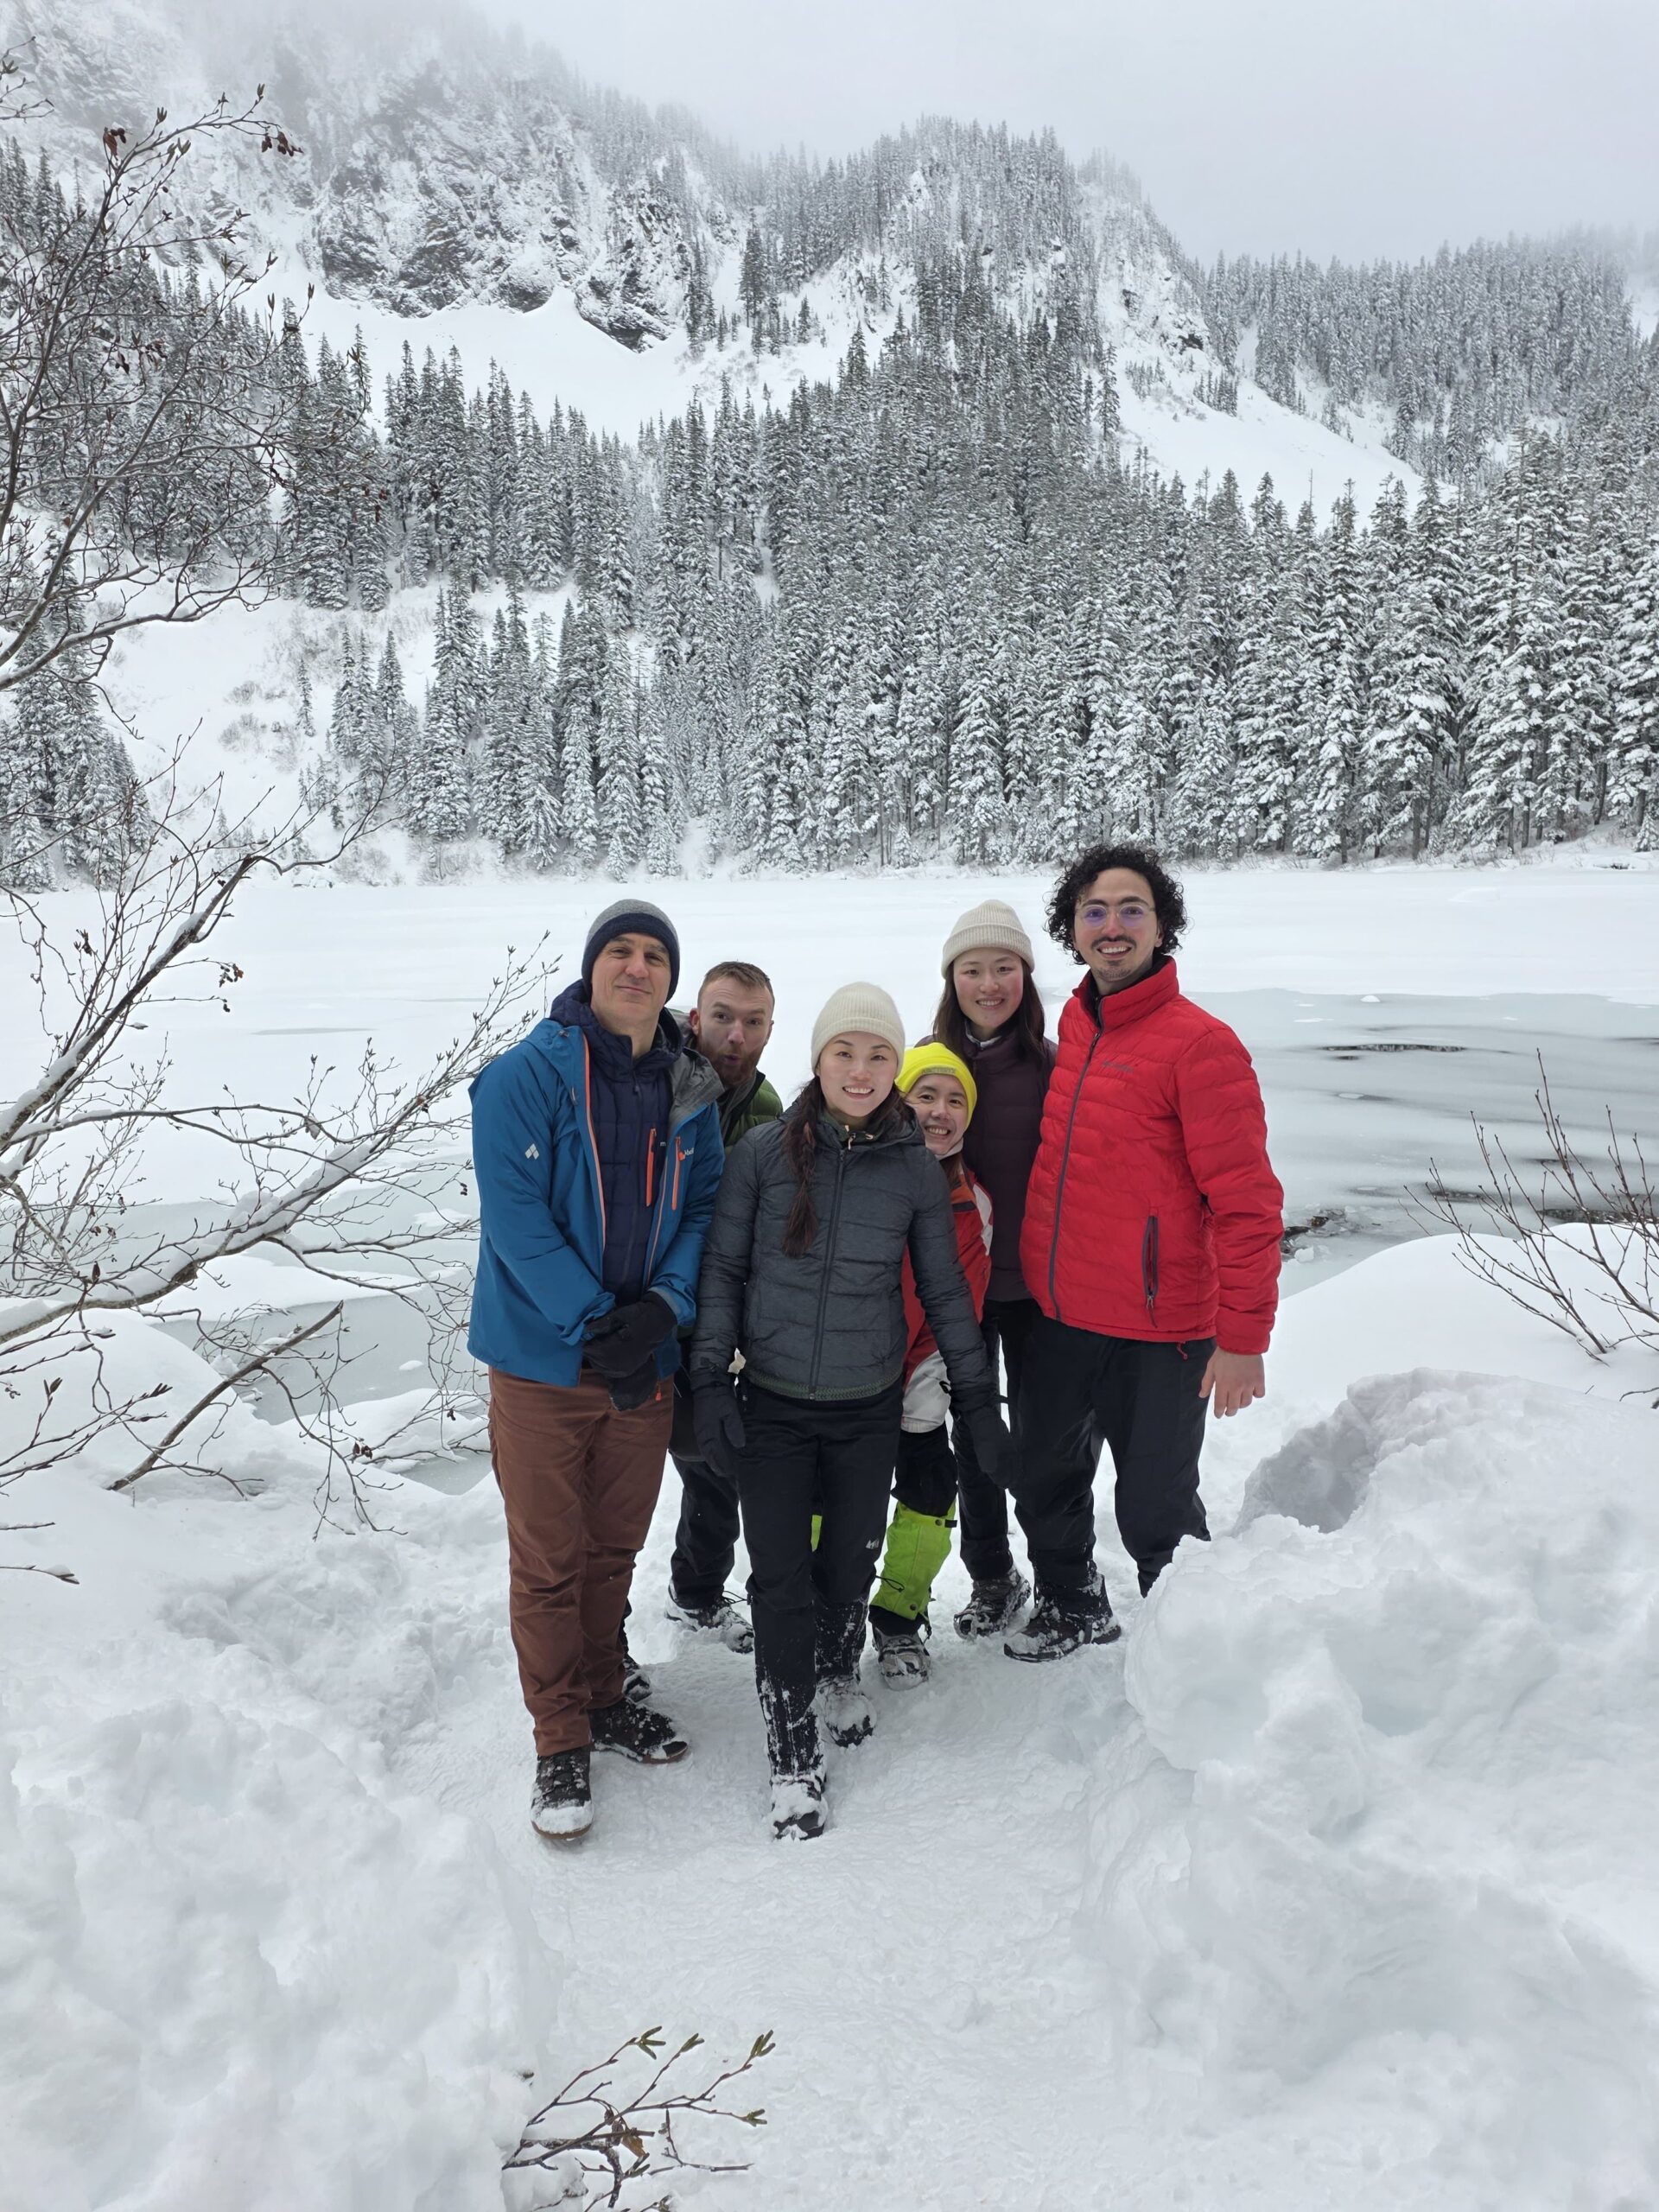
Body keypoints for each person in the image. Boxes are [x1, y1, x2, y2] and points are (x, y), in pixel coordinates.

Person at [690, 984, 1007, 1842]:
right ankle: (791, 1747)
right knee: (779, 1576)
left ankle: (835, 1668)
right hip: (774, 1403)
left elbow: (944, 1291)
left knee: (849, 1562)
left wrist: (978, 1402)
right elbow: (722, 1272)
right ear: (819, 1059)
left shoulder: (912, 1169)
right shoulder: (763, 1154)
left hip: (867, 1408)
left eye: (878, 1055)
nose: (860, 1071)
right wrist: (710, 1379)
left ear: (894, 1067)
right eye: (845, 1052)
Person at [467, 898, 722, 1841]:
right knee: (548, 1560)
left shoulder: (690, 1086)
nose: (637, 967)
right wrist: (594, 1322)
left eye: (655, 955)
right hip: (544, 1366)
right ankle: (559, 1737)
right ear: (592, 966)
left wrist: (663, 1307)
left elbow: (702, 1208)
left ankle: (606, 1695)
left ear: (670, 978)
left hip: (640, 1363)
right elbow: (516, 1220)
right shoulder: (523, 1077)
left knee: (614, 1548)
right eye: (621, 950)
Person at [1008, 845, 1284, 1660]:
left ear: (1163, 927)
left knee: (1156, 1509)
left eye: (1133, 910)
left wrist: (1243, 1338)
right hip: (1061, 1313)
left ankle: (1194, 1658)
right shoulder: (1074, 1025)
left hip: (1162, 1333)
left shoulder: (1201, 1046)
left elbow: (1247, 1204)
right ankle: (1072, 1606)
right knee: (1044, 1479)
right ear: (1072, 929)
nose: (1113, 926)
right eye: (1094, 911)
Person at [929, 899, 1055, 1639]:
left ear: (1024, 977)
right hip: (957, 1293)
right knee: (973, 1441)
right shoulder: (929, 1066)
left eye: (1003, 968)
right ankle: (992, 1576)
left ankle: (1062, 1571)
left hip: (1039, 1291)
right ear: (952, 981)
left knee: (1046, 1438)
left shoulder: (1053, 1067)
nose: (987, 984)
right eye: (971, 970)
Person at [663, 960, 784, 1649]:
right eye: (723, 1017)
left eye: (753, 1021)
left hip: (712, 1320)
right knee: (614, 1489)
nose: (737, 1034)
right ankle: (599, 1648)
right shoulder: (656, 1082)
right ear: (695, 1017)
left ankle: (697, 1593)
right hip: (638, 1311)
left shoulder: (766, 1111)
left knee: (715, 1465)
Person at [866, 1044, 993, 1688]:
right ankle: (823, 1611)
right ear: (899, 1101)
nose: (940, 1112)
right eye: (926, 1096)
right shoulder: (858, 1174)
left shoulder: (975, 1205)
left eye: (955, 1100)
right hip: (845, 1377)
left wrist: (920, 1394)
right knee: (827, 1500)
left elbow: (960, 1311)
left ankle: (898, 1615)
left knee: (930, 1491)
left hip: (917, 1375)